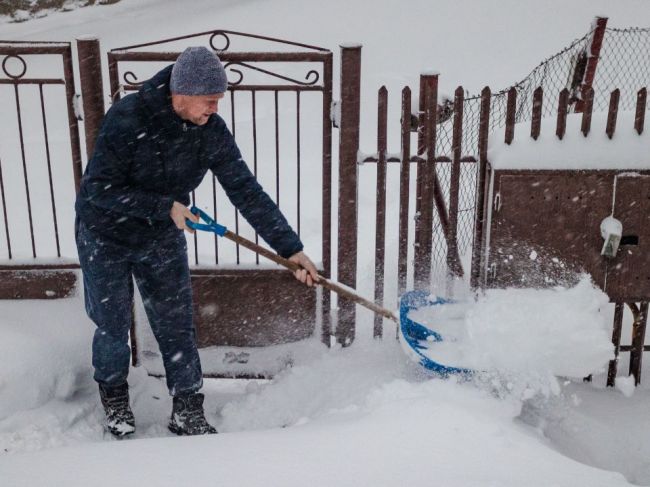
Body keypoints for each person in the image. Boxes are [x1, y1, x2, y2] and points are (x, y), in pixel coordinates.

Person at [75, 46, 319, 437]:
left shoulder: (211, 133)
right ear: (182, 93)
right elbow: (98, 189)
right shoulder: (127, 118)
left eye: (218, 101)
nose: (214, 109)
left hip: (159, 236)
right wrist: (163, 206)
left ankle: (187, 407)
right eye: (210, 101)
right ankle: (115, 398)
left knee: (176, 323)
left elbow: (245, 190)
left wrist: (290, 248)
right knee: (112, 322)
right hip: (105, 233)